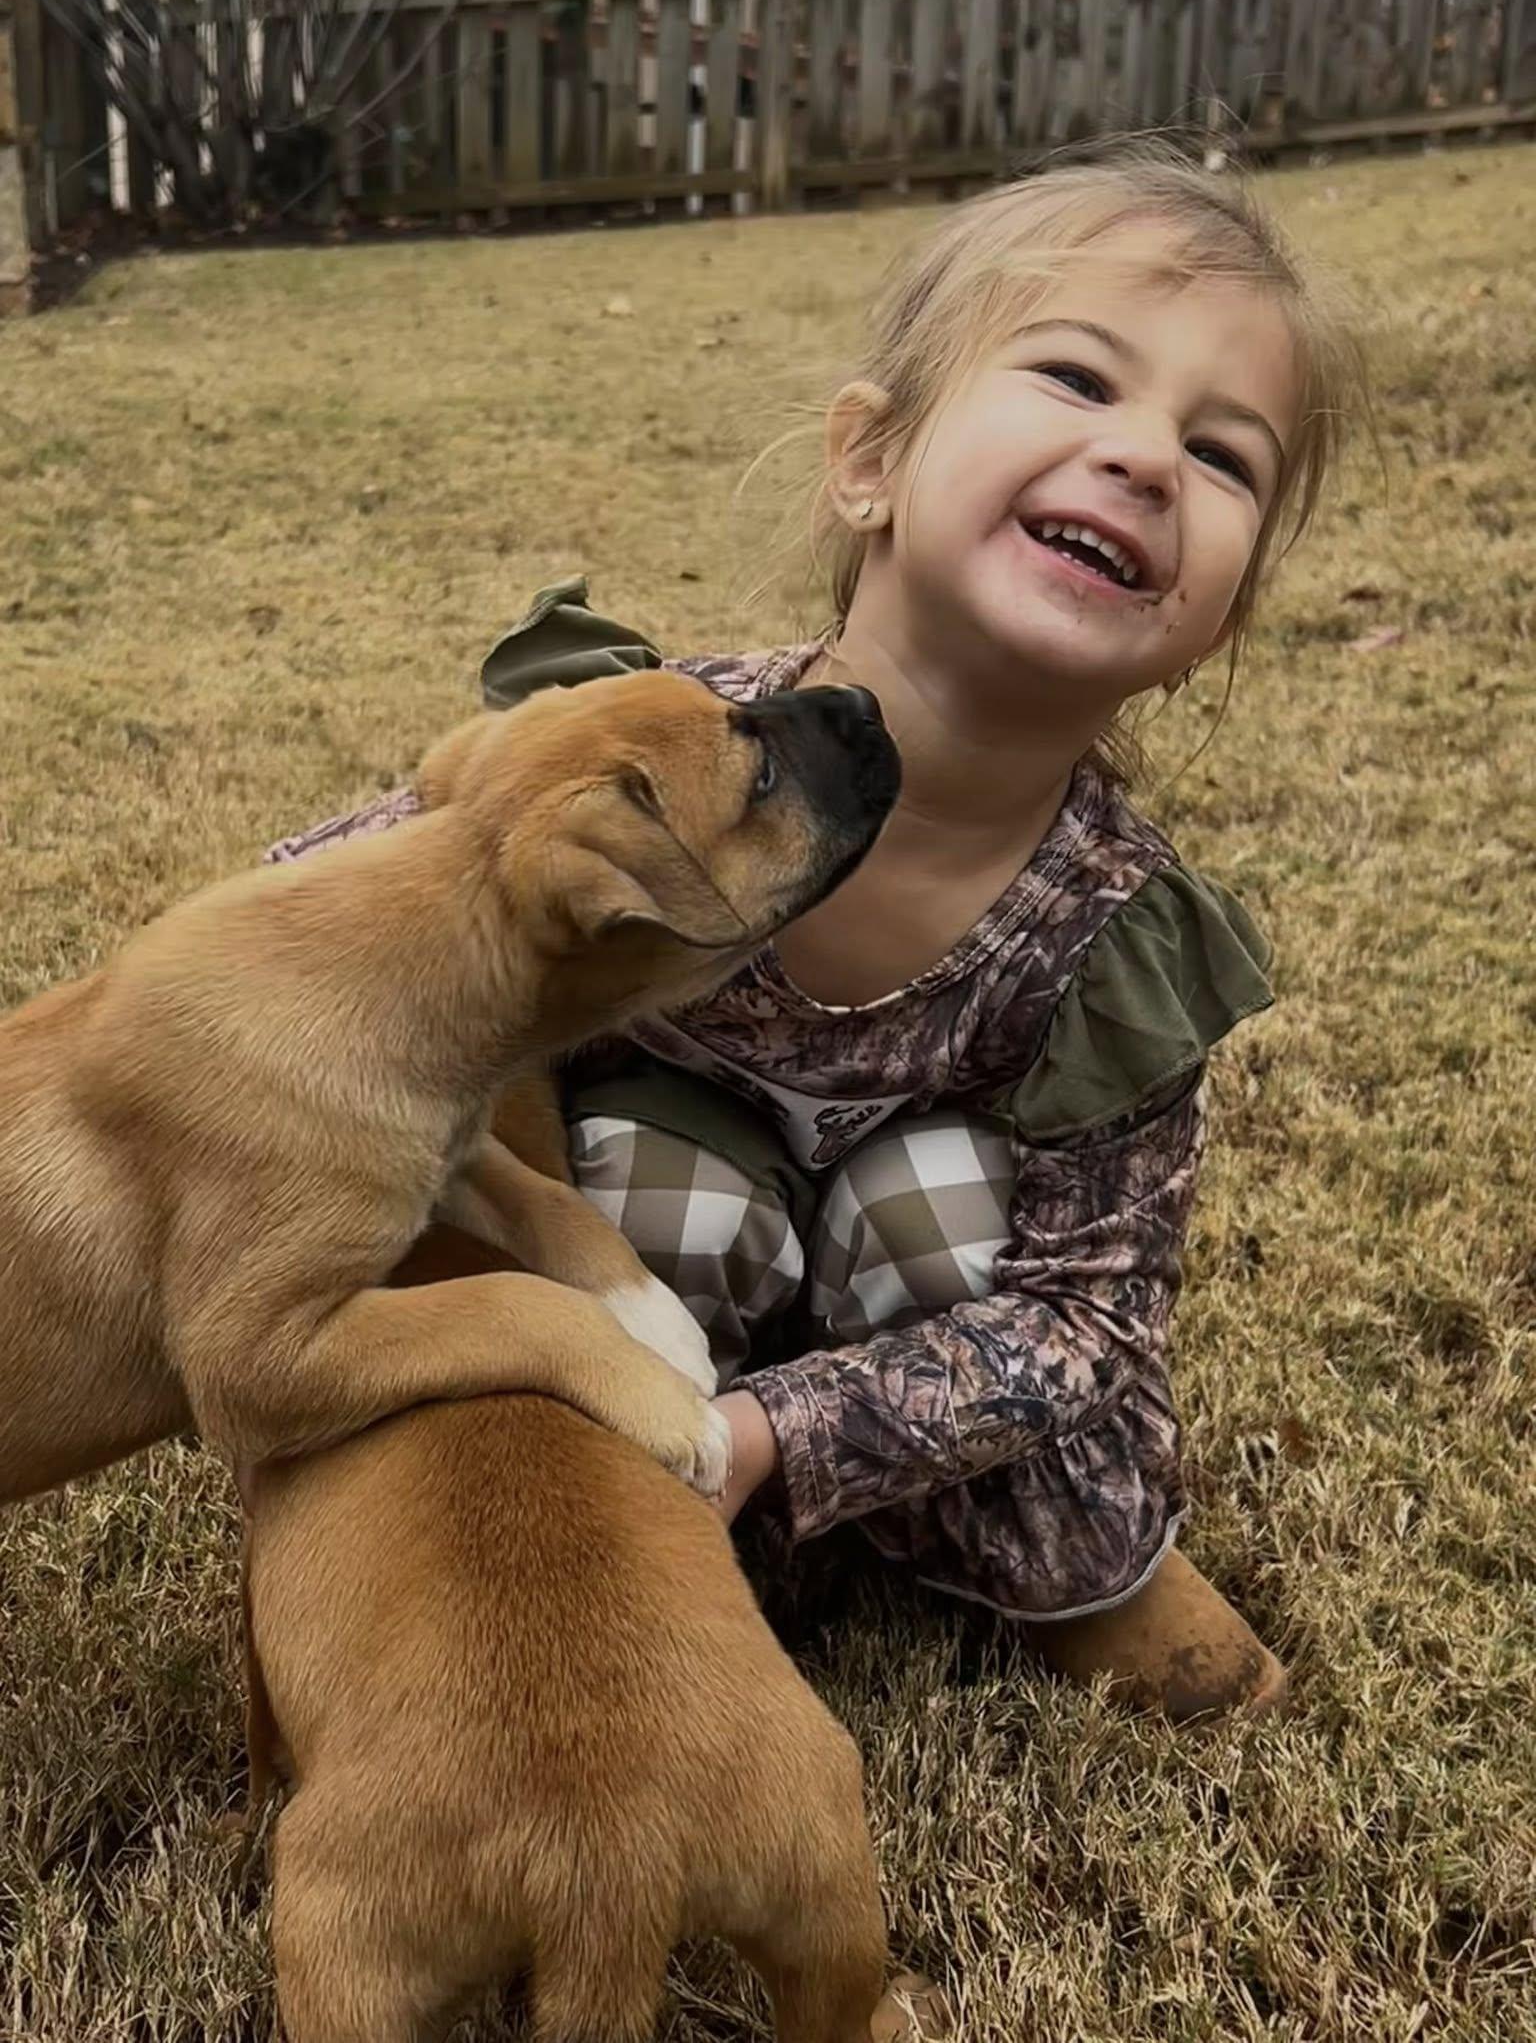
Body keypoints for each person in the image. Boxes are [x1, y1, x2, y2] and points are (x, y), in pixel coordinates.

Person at [268, 141, 1358, 1724]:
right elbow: (350, 901)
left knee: (940, 1207)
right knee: (644, 1188)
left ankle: (1013, 1561)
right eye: (1075, 378)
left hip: (915, 1330)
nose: (1142, 457)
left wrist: (772, 1433)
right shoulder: (653, 750)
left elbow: (1085, 1317)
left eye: (1222, 453)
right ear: (871, 461)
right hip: (646, 1274)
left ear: (1215, 624)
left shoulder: (1119, 932)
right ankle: (616, 1534)